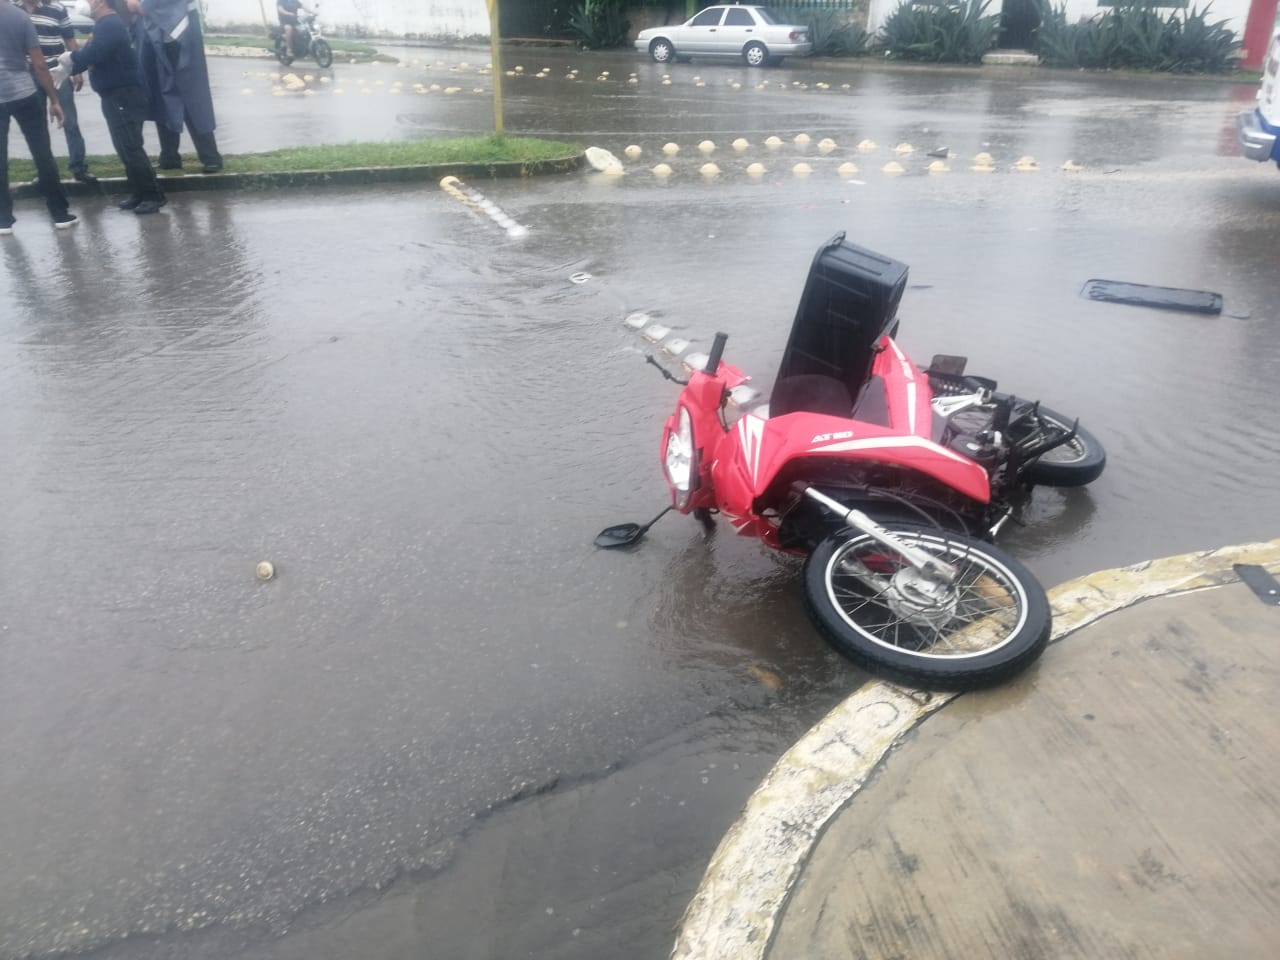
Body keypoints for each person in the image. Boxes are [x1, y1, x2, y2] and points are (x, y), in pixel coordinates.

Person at [65, 0, 165, 213]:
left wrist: (70, 59)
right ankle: (139, 192)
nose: (85, 3)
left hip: (124, 95)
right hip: (114, 95)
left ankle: (153, 195)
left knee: (131, 146)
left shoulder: (110, 24)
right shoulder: (103, 25)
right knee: (123, 147)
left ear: (101, 2)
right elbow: (90, 56)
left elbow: (92, 55)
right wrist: (73, 64)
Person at [0, 0, 76, 233]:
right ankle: (59, 214)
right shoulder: (20, 16)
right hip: (25, 92)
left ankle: (3, 219)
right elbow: (40, 64)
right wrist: (54, 99)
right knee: (43, 153)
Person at [126, 0, 221, 173]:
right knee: (160, 96)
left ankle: (210, 157)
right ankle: (169, 156)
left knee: (191, 97)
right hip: (154, 35)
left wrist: (133, 4)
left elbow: (141, 6)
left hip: (180, 36)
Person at [14, 0, 96, 183]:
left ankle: (79, 168)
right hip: (27, 76)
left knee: (70, 122)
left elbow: (69, 39)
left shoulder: (57, 8)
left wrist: (77, 70)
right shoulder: (13, 8)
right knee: (37, 128)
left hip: (57, 72)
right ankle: (45, 172)